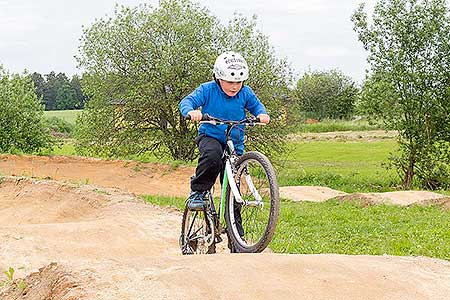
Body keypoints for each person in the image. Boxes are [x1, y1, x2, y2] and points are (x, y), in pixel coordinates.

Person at [178, 51, 270, 211]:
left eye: (238, 82)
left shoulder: (245, 93)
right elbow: (188, 101)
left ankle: (235, 231)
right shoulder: (207, 90)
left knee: (233, 190)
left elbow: (256, 106)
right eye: (229, 82)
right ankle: (198, 192)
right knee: (212, 156)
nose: (234, 86)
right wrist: (191, 112)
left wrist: (261, 114)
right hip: (210, 136)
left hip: (235, 143)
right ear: (218, 77)